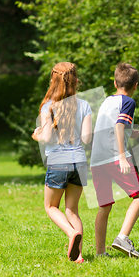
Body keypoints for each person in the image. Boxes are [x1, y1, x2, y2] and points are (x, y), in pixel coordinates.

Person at [31, 62, 92, 263]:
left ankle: (70, 233)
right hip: (80, 163)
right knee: (72, 210)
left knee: (50, 207)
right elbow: (86, 139)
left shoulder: (48, 106)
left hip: (58, 163)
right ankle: (79, 256)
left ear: (53, 80)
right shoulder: (84, 105)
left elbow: (47, 136)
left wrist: (36, 135)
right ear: (75, 80)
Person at [90, 62, 139, 258]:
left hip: (97, 160)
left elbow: (111, 127)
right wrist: (122, 157)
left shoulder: (107, 101)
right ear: (136, 85)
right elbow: (118, 127)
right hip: (115, 157)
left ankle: (100, 253)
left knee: (104, 206)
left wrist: (131, 133)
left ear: (115, 83)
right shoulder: (129, 102)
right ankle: (123, 237)